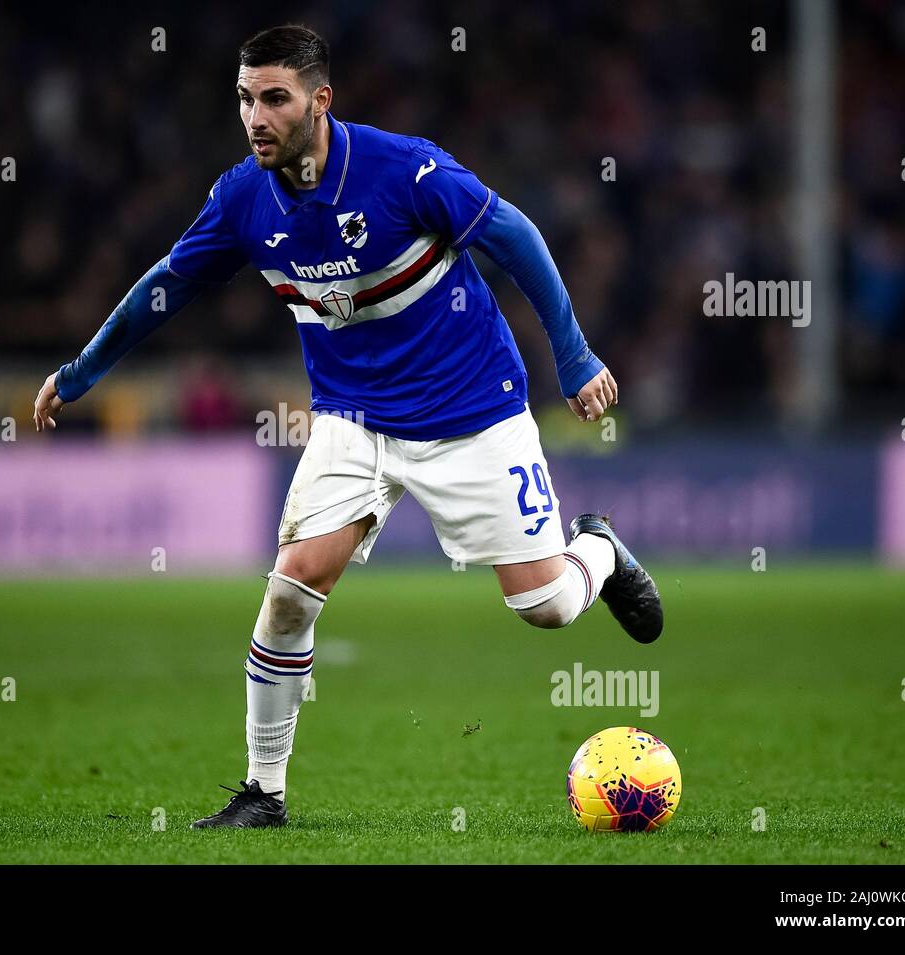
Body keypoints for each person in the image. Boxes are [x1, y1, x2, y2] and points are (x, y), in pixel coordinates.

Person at [32, 24, 663, 830]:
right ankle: (264, 792)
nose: (255, 117)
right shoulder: (241, 200)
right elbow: (165, 287)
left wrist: (572, 358)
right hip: (353, 421)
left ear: (320, 101)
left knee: (543, 607)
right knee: (291, 590)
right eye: (244, 99)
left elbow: (518, 238)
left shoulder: (404, 169)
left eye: (274, 99)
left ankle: (600, 547)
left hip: (471, 410)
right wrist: (81, 371)